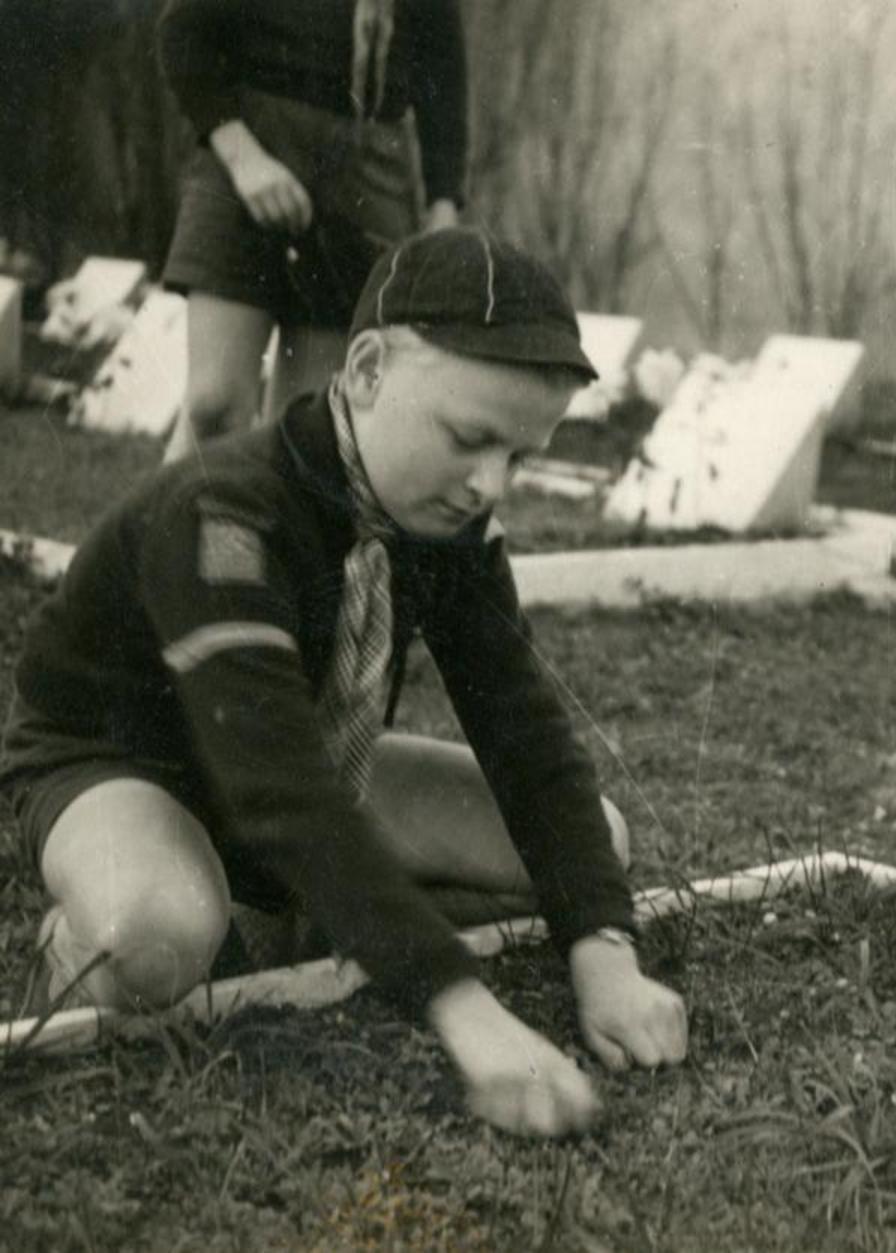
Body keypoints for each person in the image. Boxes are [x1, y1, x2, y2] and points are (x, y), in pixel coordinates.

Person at [3, 228, 686, 1138]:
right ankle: (81, 940)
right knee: (160, 932)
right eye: (471, 437)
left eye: (519, 456)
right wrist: (462, 1006)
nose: (490, 483)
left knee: (593, 839)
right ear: (365, 370)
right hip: (126, 767)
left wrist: (605, 950)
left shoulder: (445, 520)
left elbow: (525, 731)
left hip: (309, 761)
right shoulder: (223, 509)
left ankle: (310, 911)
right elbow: (273, 782)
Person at [157, 0, 467, 463]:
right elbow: (182, 32)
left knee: (306, 433)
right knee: (213, 404)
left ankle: (261, 538)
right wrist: (245, 160)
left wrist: (444, 205)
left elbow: (442, 75)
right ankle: (167, 536)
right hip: (248, 151)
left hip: (366, 173)